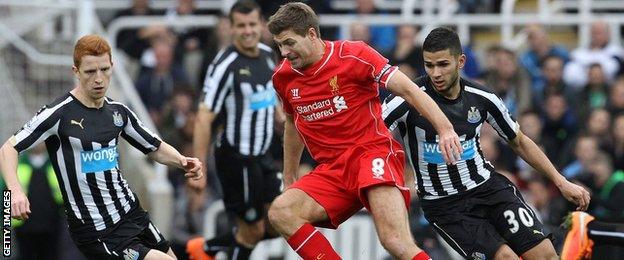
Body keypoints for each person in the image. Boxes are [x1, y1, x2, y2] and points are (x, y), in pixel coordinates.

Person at [266, 3, 463, 260]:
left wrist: (445, 128)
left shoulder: (354, 54)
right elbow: (293, 124)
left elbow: (409, 90)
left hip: (371, 156)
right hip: (332, 170)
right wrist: (290, 176)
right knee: (280, 212)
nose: (284, 52)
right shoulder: (283, 77)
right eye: (279, 45)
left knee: (395, 242)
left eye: (289, 43)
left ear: (312, 34)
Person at [382, 27, 590, 260]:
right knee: (506, 258)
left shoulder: (482, 98)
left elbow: (519, 141)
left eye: (443, 64)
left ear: (461, 61)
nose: (435, 73)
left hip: (489, 190)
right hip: (447, 206)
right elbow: (369, 136)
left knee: (546, 255)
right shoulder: (405, 99)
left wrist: (560, 182)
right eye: (429, 65)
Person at [0, 34, 203, 260]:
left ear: (112, 66)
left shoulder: (118, 112)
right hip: (97, 229)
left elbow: (154, 146)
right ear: (75, 72)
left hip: (131, 213)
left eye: (104, 70)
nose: (99, 79)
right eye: (90, 72)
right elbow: (8, 148)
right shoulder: (58, 114)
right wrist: (15, 190)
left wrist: (183, 161)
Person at [185, 1, 281, 260]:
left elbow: (274, 102)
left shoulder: (267, 55)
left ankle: (206, 249)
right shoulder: (225, 64)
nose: (248, 31)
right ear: (231, 28)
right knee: (251, 231)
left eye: (252, 24)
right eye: (241, 26)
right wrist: (198, 168)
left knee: (282, 220)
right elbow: (204, 118)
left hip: (263, 156)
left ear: (261, 24)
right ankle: (205, 250)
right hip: (237, 158)